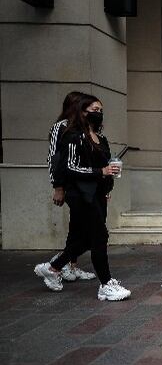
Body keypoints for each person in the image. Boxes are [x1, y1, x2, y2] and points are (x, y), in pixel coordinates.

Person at [34, 94, 131, 301]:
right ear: (82, 111)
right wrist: (99, 173)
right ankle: (106, 284)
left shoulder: (101, 138)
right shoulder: (73, 135)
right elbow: (68, 166)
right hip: (80, 194)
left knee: (88, 238)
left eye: (101, 110)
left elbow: (105, 164)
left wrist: (107, 185)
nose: (99, 113)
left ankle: (53, 267)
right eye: (94, 109)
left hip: (98, 193)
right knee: (99, 236)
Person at [47, 91, 97, 282]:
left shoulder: (84, 128)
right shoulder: (61, 127)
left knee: (77, 226)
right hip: (71, 186)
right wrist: (58, 186)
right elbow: (54, 158)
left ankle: (69, 265)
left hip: (85, 185)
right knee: (83, 228)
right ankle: (58, 265)